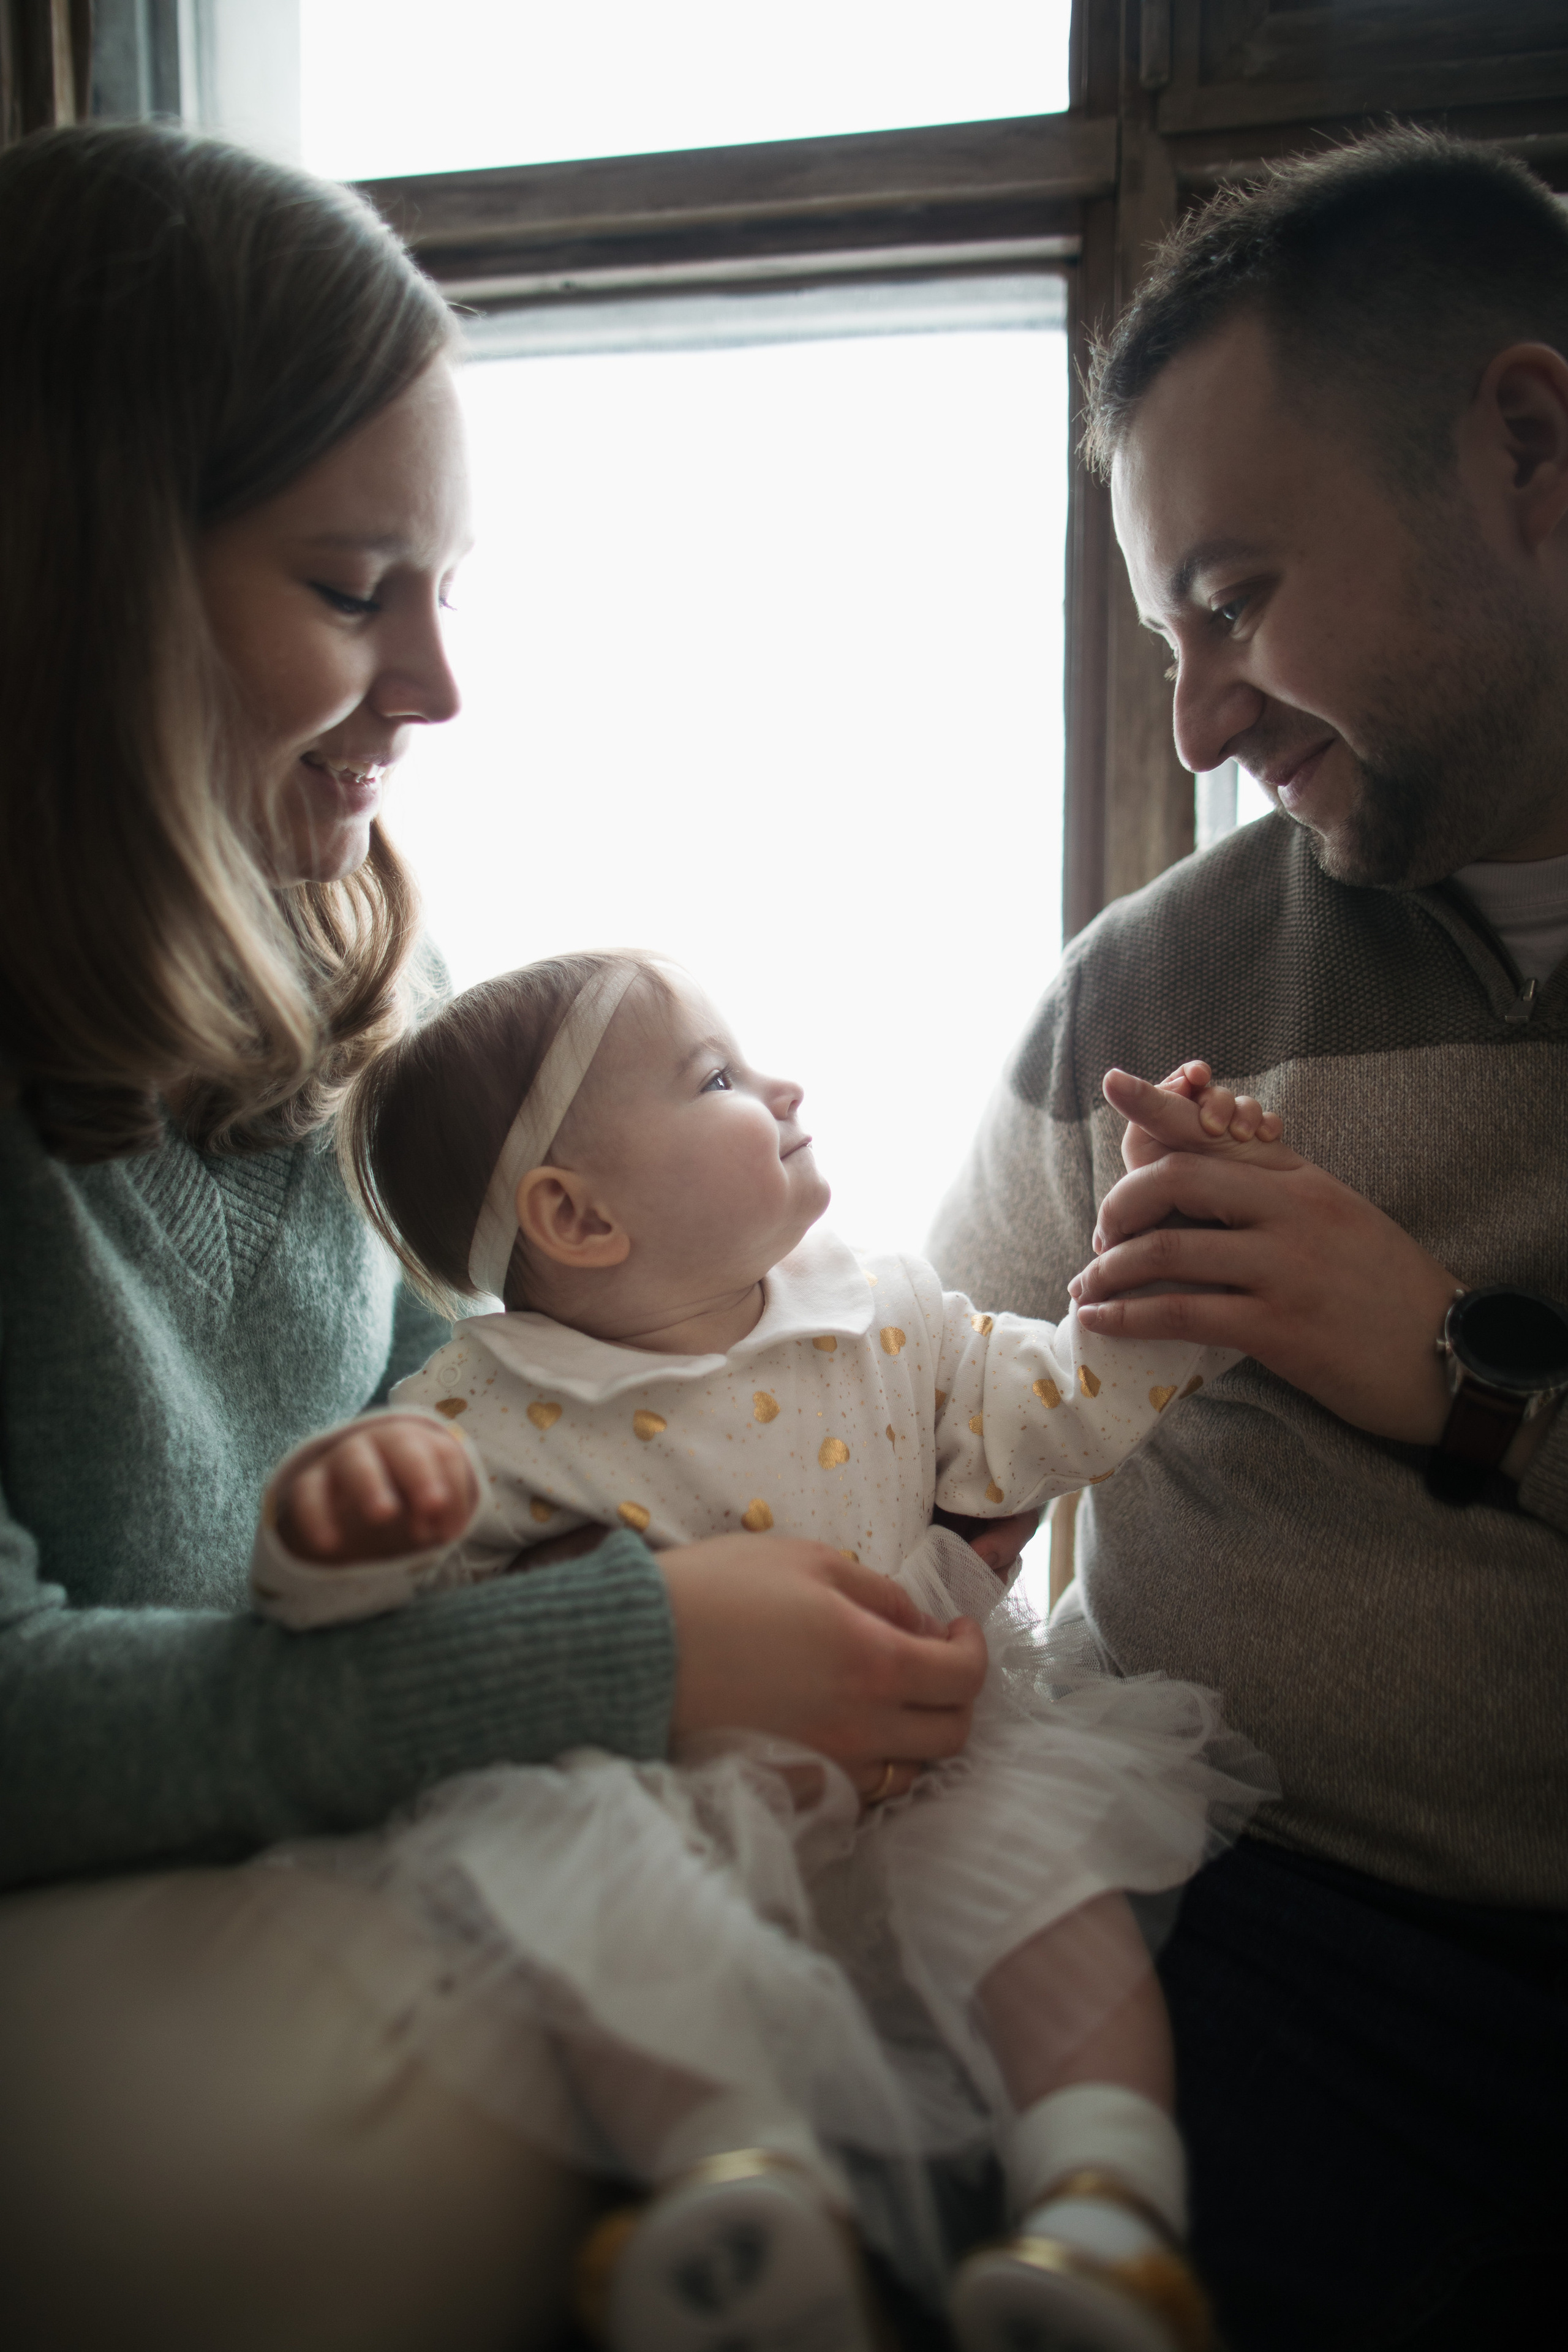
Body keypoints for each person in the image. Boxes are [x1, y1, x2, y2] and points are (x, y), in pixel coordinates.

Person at [0, 124, 998, 2352]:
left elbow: (463, 1449)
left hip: (303, 1823)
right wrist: (634, 1647)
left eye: (446, 590)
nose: (439, 689)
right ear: (70, 587)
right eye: (359, 593)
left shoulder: (328, 997)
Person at [249, 948, 1281, 2352]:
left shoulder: (882, 1311)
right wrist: (334, 1530)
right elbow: (350, 1607)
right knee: (603, 1925)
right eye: (718, 1078)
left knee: (1046, 1900)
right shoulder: (485, 1409)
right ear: (575, 1213)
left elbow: (1058, 1406)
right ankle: (741, 2194)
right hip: (663, 1807)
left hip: (931, 1768)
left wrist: (1168, 1260)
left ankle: (1102, 2215)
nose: (781, 1083)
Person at [929, 127, 1568, 2352]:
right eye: (1163, 633)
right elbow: (929, 1446)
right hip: (1239, 1937)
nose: (1195, 721)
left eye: (1234, 598)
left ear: (1527, 452)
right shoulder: (1139, 994)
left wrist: (1456, 1375)